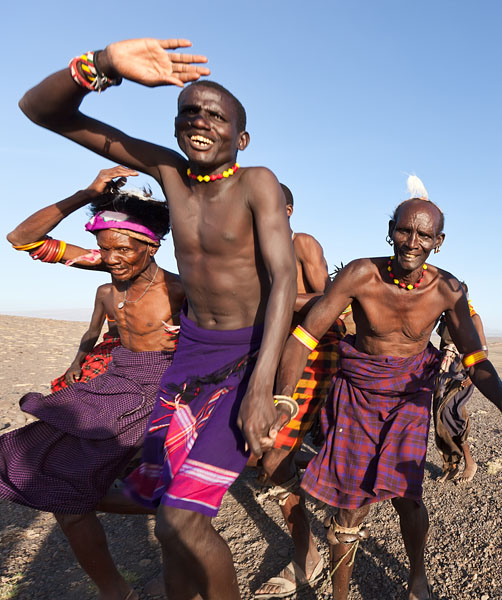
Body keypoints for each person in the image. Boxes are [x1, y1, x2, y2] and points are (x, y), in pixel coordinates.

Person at [20, 39, 297, 600]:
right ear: (174, 127)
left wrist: (262, 387)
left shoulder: (256, 182)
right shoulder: (169, 172)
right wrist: (100, 65)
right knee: (164, 508)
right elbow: (40, 110)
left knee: (180, 520)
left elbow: (284, 278)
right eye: (190, 111)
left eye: (216, 116)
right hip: (188, 358)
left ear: (241, 139)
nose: (201, 121)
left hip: (245, 357)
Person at [274, 176, 502, 600]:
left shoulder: (447, 289)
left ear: (439, 241)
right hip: (357, 396)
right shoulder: (361, 274)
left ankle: (417, 578)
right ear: (390, 230)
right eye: (404, 230)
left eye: (424, 235)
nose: (412, 242)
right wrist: (283, 399)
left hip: (410, 399)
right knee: (349, 504)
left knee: (407, 496)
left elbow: (475, 358)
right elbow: (305, 336)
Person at [2, 167, 183, 600]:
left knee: (81, 489)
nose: (112, 258)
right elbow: (22, 239)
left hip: (157, 388)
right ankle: (116, 592)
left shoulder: (180, 291)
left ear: (151, 245)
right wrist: (86, 193)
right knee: (47, 480)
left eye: (123, 249)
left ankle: (175, 536)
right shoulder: (107, 275)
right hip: (112, 381)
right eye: (104, 248)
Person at [253, 184, 346, 599]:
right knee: (260, 450)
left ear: (287, 210)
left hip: (313, 349)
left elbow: (329, 302)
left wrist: (278, 298)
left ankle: (306, 556)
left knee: (275, 455)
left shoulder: (302, 244)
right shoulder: (251, 253)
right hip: (269, 350)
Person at [432, 282, 485, 483]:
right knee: (439, 417)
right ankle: (450, 465)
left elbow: (483, 351)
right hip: (443, 372)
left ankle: (470, 462)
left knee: (452, 413)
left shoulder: (473, 318)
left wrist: (473, 374)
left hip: (463, 371)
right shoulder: (444, 317)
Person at [51, 282, 121, 392]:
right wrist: (76, 363)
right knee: (76, 384)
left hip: (140, 349)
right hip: (110, 348)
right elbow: (93, 331)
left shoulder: (148, 292)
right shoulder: (105, 292)